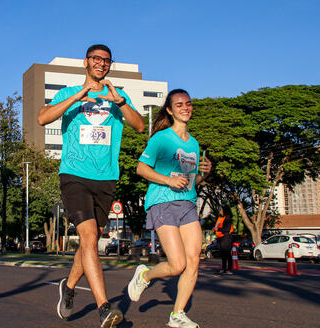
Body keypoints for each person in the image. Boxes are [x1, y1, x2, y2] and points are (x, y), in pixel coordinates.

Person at [38, 44, 144, 328]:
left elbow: (140, 126)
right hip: (74, 174)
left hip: (106, 177)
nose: (101, 63)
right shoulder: (68, 94)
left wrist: (120, 102)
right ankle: (104, 308)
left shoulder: (117, 97)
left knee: (92, 239)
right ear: (86, 62)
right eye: (96, 59)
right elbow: (42, 118)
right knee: (87, 237)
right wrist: (79, 96)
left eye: (106, 60)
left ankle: (69, 288)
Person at [127, 89, 212, 328]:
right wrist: (168, 180)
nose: (185, 108)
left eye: (188, 104)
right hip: (162, 201)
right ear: (169, 109)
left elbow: (192, 180)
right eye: (179, 104)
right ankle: (145, 275)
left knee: (194, 260)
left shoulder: (193, 143)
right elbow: (141, 169)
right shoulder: (161, 138)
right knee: (177, 265)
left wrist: (206, 173)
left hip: (187, 203)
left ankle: (177, 315)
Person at [213, 204, 234, 274]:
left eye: (221, 210)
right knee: (222, 254)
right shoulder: (220, 218)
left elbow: (227, 229)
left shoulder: (228, 218)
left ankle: (229, 269)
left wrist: (218, 229)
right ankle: (223, 268)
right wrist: (215, 229)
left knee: (227, 253)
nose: (220, 211)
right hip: (220, 237)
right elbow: (217, 226)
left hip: (226, 237)